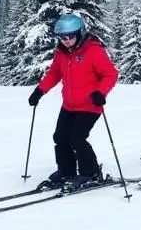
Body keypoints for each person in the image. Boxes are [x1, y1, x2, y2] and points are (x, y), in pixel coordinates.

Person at [28, 13, 119, 191]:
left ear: (80, 33)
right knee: (60, 137)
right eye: (62, 37)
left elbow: (111, 74)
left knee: (77, 138)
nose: (66, 40)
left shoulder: (93, 50)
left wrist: (101, 93)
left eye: (70, 37)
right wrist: (40, 91)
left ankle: (90, 173)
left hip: (90, 106)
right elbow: (54, 73)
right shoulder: (61, 53)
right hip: (69, 105)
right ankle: (67, 171)